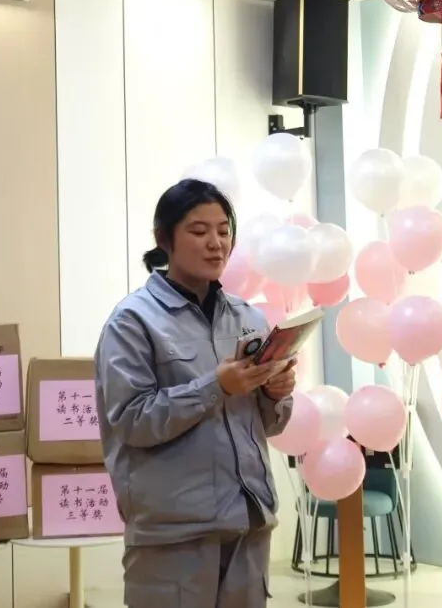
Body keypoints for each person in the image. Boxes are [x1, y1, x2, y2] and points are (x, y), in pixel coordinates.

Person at [95, 178, 297, 608]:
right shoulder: (132, 321)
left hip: (248, 523)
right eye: (199, 230)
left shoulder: (248, 318)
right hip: (174, 535)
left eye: (224, 231)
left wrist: (274, 393)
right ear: (163, 238)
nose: (215, 243)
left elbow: (267, 425)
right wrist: (216, 386)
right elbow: (132, 421)